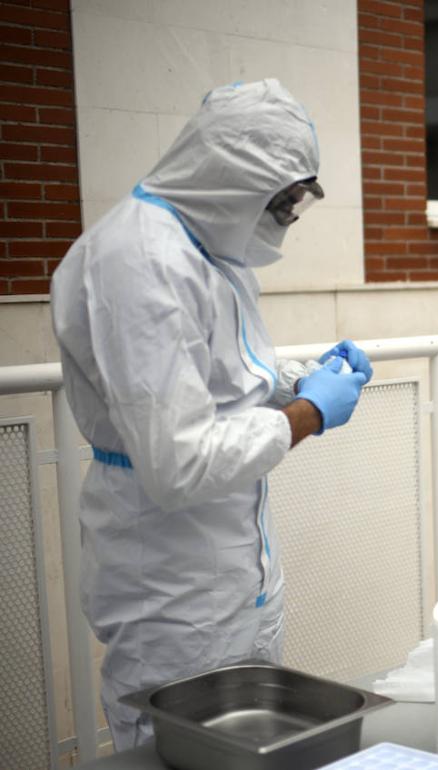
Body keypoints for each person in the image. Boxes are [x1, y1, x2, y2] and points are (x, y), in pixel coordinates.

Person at [50, 79, 373, 749]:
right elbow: (179, 462)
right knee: (176, 750)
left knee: (246, 745)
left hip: (228, 568)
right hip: (169, 587)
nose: (284, 217)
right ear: (232, 176)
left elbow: (221, 383)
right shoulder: (139, 260)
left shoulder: (207, 252)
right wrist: (309, 411)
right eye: (280, 200)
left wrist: (297, 380)